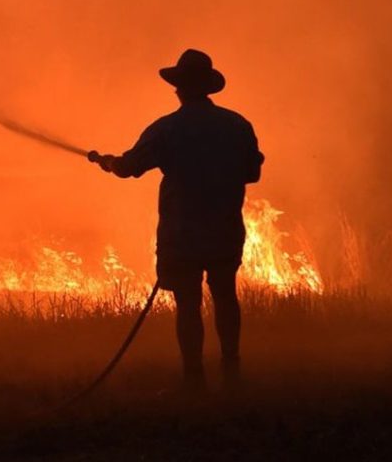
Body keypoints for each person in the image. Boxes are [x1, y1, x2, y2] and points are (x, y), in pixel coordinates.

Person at [89, 49, 264, 389]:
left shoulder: (167, 129)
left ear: (180, 89)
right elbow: (252, 173)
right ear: (208, 88)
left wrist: (108, 162)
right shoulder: (237, 125)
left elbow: (129, 168)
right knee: (226, 296)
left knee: (188, 304)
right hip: (225, 228)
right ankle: (231, 369)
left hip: (182, 232)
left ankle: (194, 377)